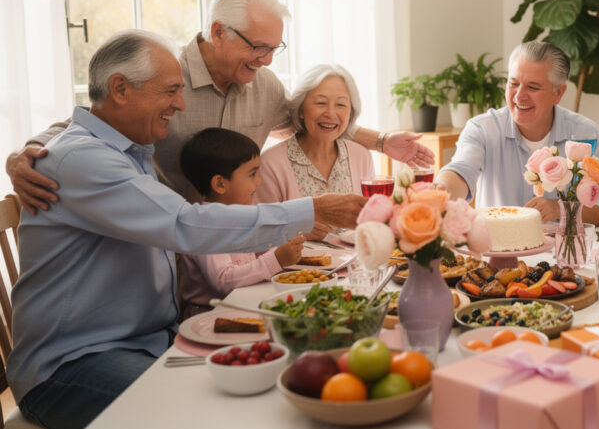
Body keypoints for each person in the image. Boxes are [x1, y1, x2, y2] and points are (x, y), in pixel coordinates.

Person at [7, 30, 366, 429]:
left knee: (274, 378)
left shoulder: (130, 152)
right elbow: (184, 223)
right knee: (219, 416)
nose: (180, 104)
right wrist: (313, 208)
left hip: (150, 341)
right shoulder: (83, 160)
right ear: (121, 89)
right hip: (71, 365)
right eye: (170, 91)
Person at [7, 0, 432, 208]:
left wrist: (380, 142)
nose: (266, 60)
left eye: (274, 49)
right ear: (217, 32)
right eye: (257, 47)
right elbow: (93, 121)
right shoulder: (163, 76)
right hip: (169, 232)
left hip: (235, 236)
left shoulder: (264, 87)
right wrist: (24, 153)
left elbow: (317, 117)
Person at [436, 41, 599, 226]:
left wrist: (560, 209)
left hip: (562, 252)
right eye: (513, 83)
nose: (519, 96)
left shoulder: (588, 134)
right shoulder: (482, 129)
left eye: (533, 87)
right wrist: (440, 192)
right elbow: (460, 170)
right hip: (498, 251)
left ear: (558, 93)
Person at [177, 128, 310, 320]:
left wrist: (281, 244)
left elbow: (257, 253)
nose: (259, 181)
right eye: (252, 174)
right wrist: (277, 259)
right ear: (220, 184)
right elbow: (223, 281)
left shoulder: (239, 214)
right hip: (210, 317)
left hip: (241, 306)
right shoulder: (204, 226)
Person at [253, 64, 373, 211]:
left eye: (341, 104)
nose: (330, 113)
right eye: (320, 103)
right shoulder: (270, 164)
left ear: (351, 112)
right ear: (301, 109)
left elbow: (369, 219)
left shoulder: (361, 156)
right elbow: (265, 229)